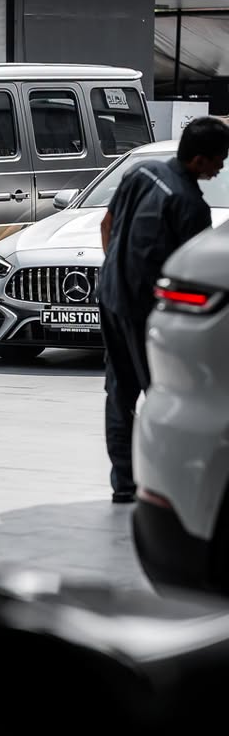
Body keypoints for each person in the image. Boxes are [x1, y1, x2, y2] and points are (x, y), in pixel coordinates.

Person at [98, 115, 229, 503]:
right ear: (200, 161)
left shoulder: (142, 173)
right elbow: (193, 278)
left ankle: (124, 484)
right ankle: (165, 487)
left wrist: (116, 274)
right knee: (165, 397)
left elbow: (107, 226)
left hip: (110, 296)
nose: (222, 165)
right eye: (220, 158)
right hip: (146, 312)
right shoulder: (191, 207)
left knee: (120, 392)